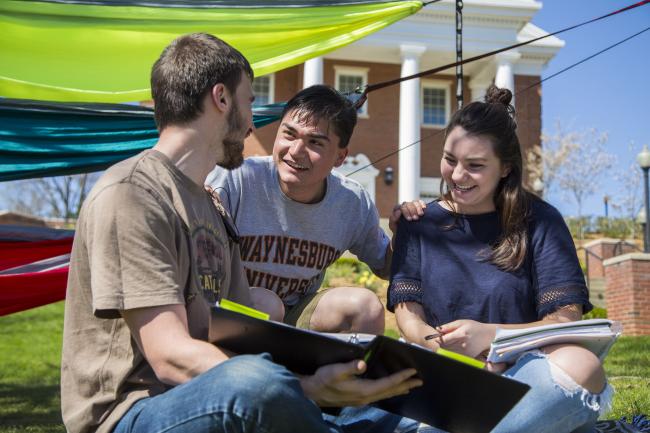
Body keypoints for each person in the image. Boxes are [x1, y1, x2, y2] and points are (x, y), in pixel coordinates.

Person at [61, 33, 424, 433]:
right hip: (138, 409)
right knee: (257, 384)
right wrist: (303, 389)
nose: (253, 122)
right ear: (221, 99)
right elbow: (169, 356)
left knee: (399, 411)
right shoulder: (133, 193)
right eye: (251, 101)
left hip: (232, 391)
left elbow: (237, 333)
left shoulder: (211, 208)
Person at [388, 85, 612, 433]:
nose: (457, 176)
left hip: (522, 377)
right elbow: (409, 315)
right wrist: (449, 354)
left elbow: (565, 320)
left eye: (475, 166)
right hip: (442, 373)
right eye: (450, 159)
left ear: (505, 167)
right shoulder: (418, 222)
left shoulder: (541, 221)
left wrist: (490, 337)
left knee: (581, 365)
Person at [207, 84, 424, 334]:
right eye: (289, 134)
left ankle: (350, 372)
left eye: (315, 143)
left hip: (297, 314)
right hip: (229, 307)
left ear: (340, 157)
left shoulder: (352, 202)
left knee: (366, 307)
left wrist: (403, 234)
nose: (296, 151)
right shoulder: (235, 178)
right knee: (266, 303)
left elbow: (386, 267)